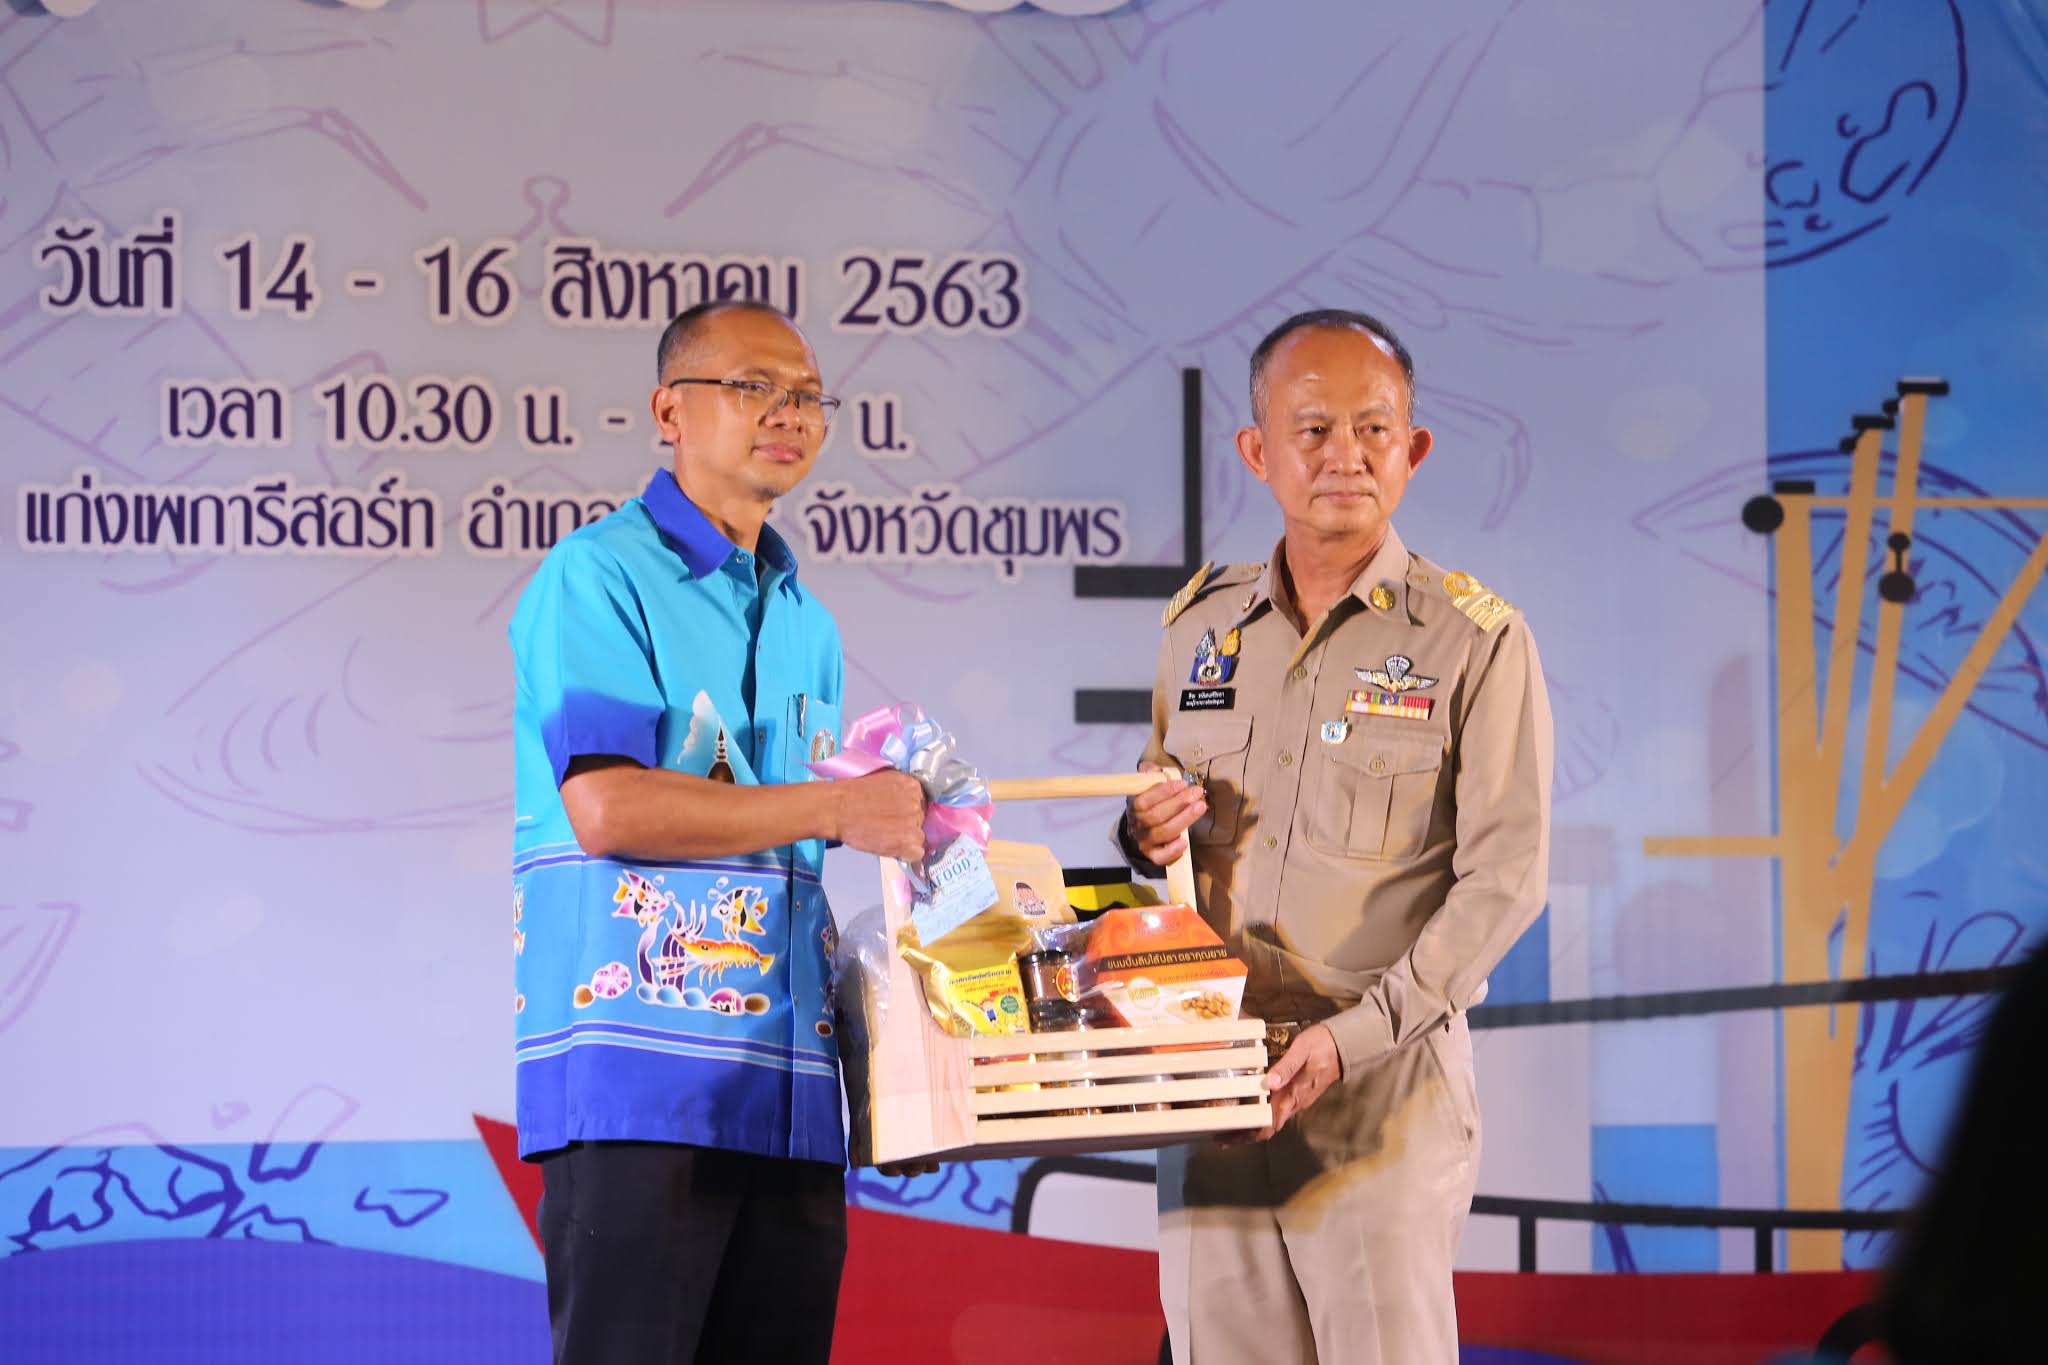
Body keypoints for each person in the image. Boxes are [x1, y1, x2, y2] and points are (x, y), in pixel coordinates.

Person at [1119, 309, 1553, 1364]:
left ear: (1413, 449)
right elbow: (1160, 822)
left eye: (1373, 428)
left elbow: (1504, 881)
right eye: (1312, 430)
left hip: (1379, 1089)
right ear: (1256, 451)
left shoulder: (1472, 639)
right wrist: (1142, 833)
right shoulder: (1200, 627)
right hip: (1214, 1083)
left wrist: (1351, 1040)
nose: (1343, 455)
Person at [508, 299, 926, 1365]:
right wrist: (841, 808)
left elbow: (787, 853)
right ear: (669, 411)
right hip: (642, 1089)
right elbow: (607, 808)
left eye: (807, 396)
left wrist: (900, 1069)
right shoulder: (597, 574)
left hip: (788, 1097)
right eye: (753, 387)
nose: (788, 413)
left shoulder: (807, 621)